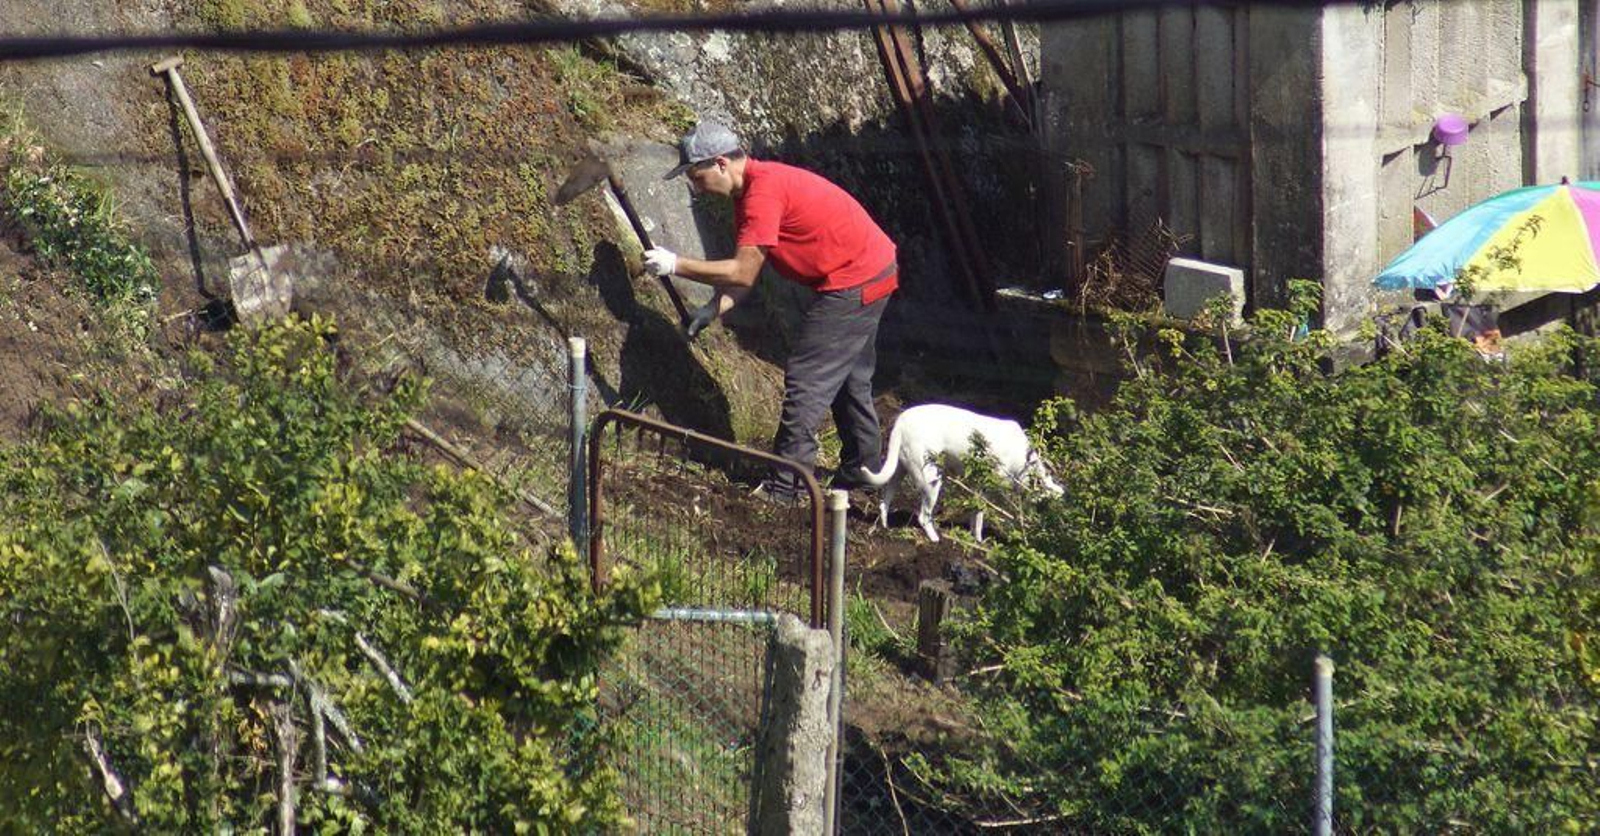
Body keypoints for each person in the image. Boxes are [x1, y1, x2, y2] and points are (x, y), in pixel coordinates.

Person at [643, 119, 899, 503]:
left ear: (720, 164)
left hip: (854, 280)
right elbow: (748, 277)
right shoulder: (753, 193)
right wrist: (713, 308)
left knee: (807, 378)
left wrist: (675, 263)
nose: (695, 187)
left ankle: (789, 486)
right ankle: (861, 472)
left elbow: (741, 269)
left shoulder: (762, 195)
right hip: (875, 267)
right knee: (848, 378)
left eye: (696, 177)